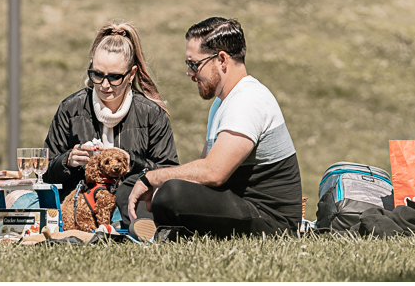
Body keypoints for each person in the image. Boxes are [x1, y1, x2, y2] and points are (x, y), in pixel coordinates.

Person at [127, 16, 303, 240]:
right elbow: (201, 174)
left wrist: (152, 178)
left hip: (272, 222)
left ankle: (172, 232)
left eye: (194, 64)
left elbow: (213, 173)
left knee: (171, 192)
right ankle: (173, 232)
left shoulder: (248, 99)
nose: (189, 73)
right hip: (243, 207)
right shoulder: (222, 103)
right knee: (169, 189)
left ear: (221, 59)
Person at [40, 21, 179, 227]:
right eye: (97, 74)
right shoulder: (71, 108)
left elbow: (169, 172)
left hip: (127, 202)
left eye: (115, 77)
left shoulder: (152, 113)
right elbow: (44, 172)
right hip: (77, 203)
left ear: (131, 74)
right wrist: (68, 160)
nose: (104, 85)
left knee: (120, 211)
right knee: (19, 200)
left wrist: (131, 162)